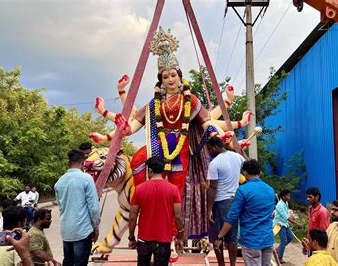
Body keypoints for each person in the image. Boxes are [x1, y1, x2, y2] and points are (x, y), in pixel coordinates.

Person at [88, 26, 253, 247]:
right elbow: (133, 126)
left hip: (182, 145)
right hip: (158, 143)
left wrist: (218, 135)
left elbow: (206, 122)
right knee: (137, 161)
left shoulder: (190, 100)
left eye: (173, 75)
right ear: (161, 79)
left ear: (179, 76)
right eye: (166, 76)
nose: (170, 79)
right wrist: (121, 126)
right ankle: (145, 204)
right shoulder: (155, 102)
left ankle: (176, 236)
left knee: (177, 190)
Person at [213, 159, 275, 265]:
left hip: (251, 240)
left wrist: (220, 237)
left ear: (244, 172)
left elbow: (232, 217)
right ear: (259, 172)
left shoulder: (243, 190)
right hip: (268, 239)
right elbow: (271, 213)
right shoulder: (270, 190)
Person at [128, 156, 184, 266]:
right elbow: (178, 216)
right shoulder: (173, 189)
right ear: (162, 170)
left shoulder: (139, 189)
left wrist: (131, 237)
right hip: (164, 240)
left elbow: (132, 217)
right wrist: (180, 236)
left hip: (144, 240)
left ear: (149, 170)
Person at [54, 149, 101, 266]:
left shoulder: (59, 182)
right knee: (80, 262)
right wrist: (96, 226)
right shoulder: (86, 179)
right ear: (82, 162)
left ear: (68, 162)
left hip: (66, 231)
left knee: (68, 261)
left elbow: (61, 207)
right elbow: (94, 207)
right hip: (83, 231)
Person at [206, 136, 245, 266]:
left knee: (217, 237)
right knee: (232, 238)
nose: (209, 152)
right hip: (235, 201)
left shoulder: (214, 163)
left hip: (220, 202)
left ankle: (221, 264)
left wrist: (209, 209)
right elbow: (249, 167)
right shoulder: (237, 157)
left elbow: (213, 187)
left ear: (216, 147)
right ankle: (232, 264)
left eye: (210, 149)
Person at [273, 189, 303, 263]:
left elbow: (287, 214)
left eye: (289, 195)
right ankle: (280, 258)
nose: (289, 197)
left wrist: (292, 216)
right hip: (279, 224)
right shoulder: (279, 205)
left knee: (290, 237)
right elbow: (286, 217)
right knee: (284, 241)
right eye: (287, 195)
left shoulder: (285, 203)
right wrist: (297, 224)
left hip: (285, 224)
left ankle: (278, 249)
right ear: (283, 196)